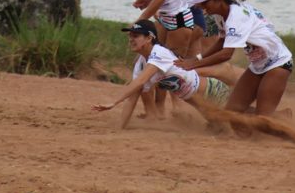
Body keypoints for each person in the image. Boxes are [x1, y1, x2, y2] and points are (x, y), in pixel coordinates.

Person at [174, 0, 294, 129]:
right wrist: (197, 58)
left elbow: (226, 54)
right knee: (232, 113)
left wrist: (193, 64)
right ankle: (281, 116)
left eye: (205, 2)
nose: (200, 6)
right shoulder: (220, 14)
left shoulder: (236, 16)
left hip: (278, 64)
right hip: (258, 66)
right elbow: (221, 41)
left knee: (262, 122)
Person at [92, 20, 232, 129]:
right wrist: (120, 127)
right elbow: (132, 99)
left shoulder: (158, 53)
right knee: (221, 128)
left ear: (149, 38)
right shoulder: (140, 64)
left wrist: (114, 102)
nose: (131, 39)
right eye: (130, 36)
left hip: (213, 92)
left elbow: (140, 81)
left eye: (136, 36)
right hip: (199, 103)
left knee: (240, 121)